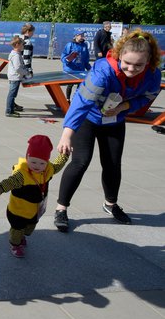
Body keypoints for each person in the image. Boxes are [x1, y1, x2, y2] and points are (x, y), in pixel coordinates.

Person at [53, 30, 162, 232]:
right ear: (119, 55)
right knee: (80, 162)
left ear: (148, 62)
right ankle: (61, 208)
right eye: (127, 63)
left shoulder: (153, 75)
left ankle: (110, 204)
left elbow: (147, 97)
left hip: (114, 120)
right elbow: (81, 103)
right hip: (88, 118)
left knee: (112, 164)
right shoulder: (102, 72)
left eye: (139, 65)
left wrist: (123, 108)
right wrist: (67, 134)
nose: (132, 69)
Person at [0, 135, 69, 258]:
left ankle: (22, 236)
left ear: (46, 162)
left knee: (29, 227)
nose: (37, 166)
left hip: (34, 209)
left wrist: (65, 155)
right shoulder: (22, 174)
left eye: (42, 163)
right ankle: (15, 245)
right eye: (33, 161)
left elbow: (57, 165)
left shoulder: (47, 170)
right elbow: (10, 182)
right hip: (18, 210)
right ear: (27, 157)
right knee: (17, 229)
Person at [61, 32, 91, 101]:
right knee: (70, 84)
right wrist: (67, 60)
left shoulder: (84, 45)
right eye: (81, 35)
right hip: (71, 69)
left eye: (83, 35)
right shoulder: (70, 45)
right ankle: (67, 99)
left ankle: (76, 99)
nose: (82, 36)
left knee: (80, 85)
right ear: (76, 36)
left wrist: (89, 69)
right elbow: (63, 57)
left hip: (80, 69)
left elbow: (86, 58)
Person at [6, 36, 28, 117]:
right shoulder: (16, 56)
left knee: (12, 94)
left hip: (14, 76)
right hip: (15, 77)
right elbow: (18, 68)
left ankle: (11, 109)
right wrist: (26, 73)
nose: (23, 46)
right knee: (12, 95)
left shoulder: (16, 54)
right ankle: (9, 111)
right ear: (17, 45)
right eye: (22, 45)